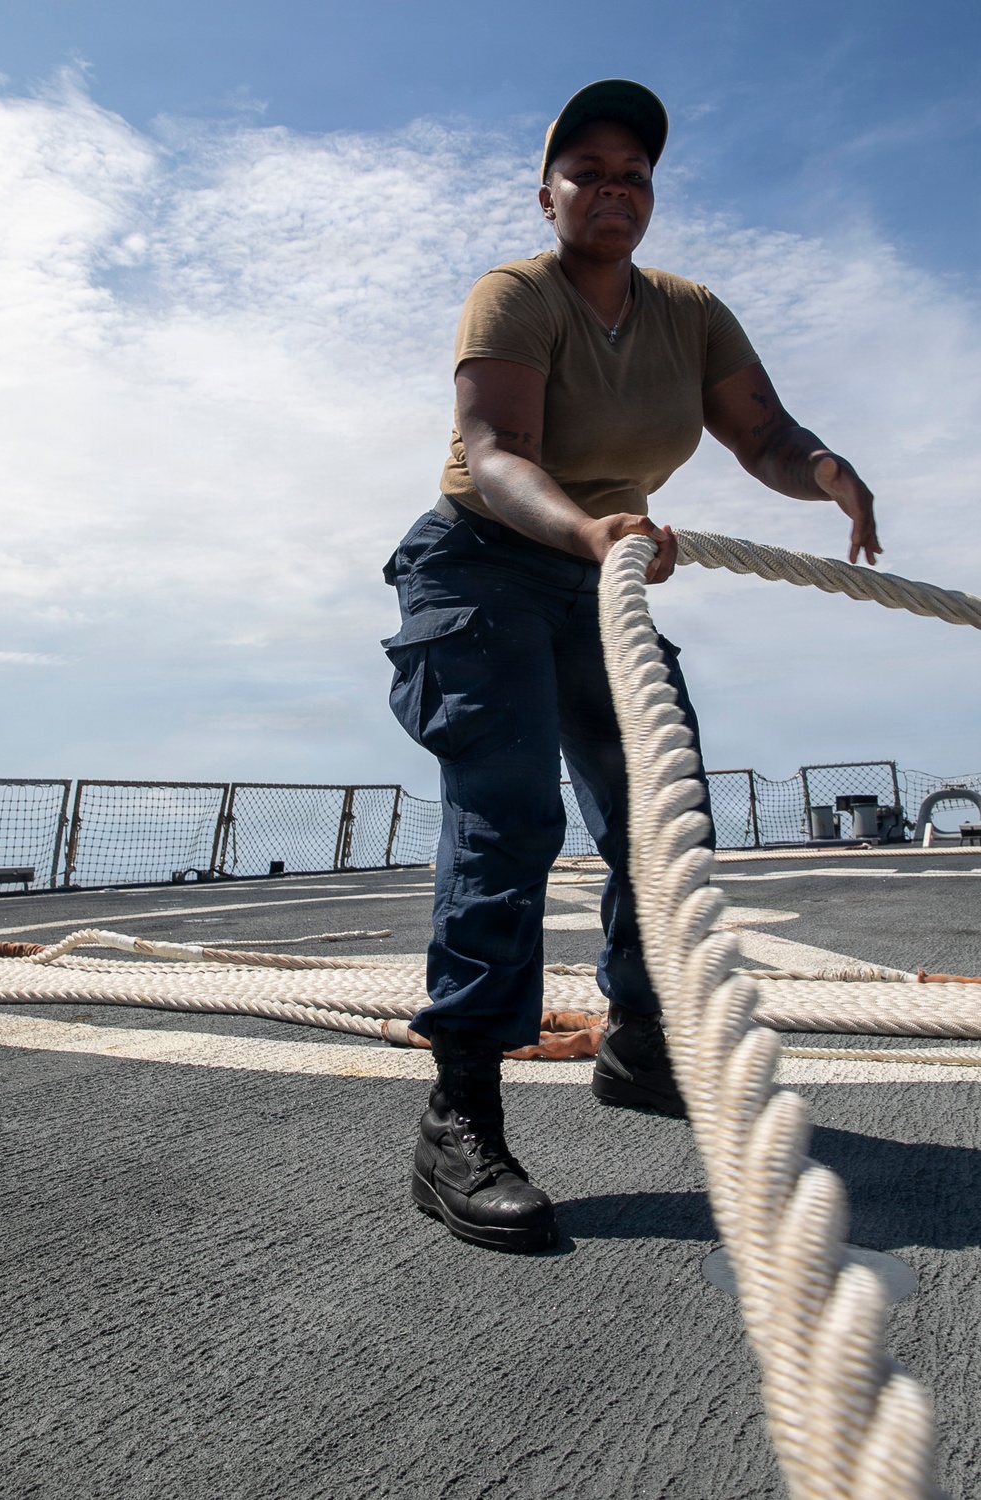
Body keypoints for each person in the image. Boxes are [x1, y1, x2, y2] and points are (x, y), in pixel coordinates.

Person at [382, 79, 880, 1254]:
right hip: (481, 568)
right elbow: (495, 450)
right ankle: (458, 1117)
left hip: (591, 574)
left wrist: (829, 475)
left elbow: (763, 432)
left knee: (663, 813)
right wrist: (593, 531)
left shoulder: (690, 312)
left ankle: (641, 1045)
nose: (615, 188)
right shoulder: (514, 294)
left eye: (635, 174)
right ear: (548, 193)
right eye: (590, 170)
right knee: (507, 820)